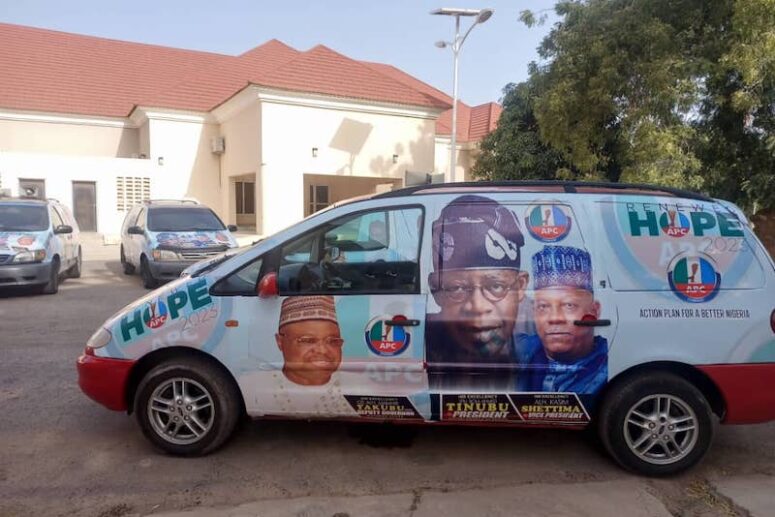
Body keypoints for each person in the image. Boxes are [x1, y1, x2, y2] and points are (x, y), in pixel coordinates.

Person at [426, 195, 529, 390]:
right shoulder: (420, 340)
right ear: (435, 290)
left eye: (495, 286)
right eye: (457, 288)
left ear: (520, 286)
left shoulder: (546, 347)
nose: (478, 306)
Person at [243, 295, 356, 416]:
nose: (322, 350)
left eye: (333, 341)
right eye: (308, 340)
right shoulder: (252, 386)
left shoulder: (359, 384)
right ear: (280, 342)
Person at [517, 245, 608, 395]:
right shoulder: (521, 350)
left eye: (569, 305)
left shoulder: (606, 365)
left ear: (594, 311)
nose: (555, 318)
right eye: (543, 306)